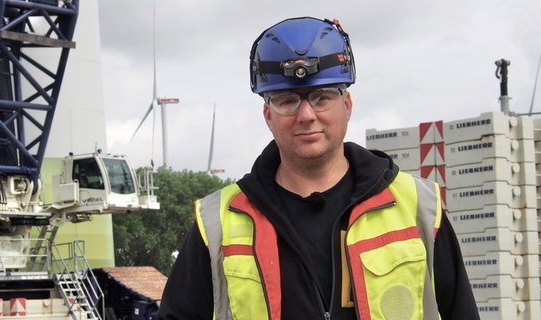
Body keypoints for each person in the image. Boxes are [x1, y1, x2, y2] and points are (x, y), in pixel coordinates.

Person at [158, 17, 479, 320]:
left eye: (321, 97)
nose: (306, 114)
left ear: (347, 106)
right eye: (287, 101)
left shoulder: (419, 208)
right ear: (268, 115)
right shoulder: (218, 222)